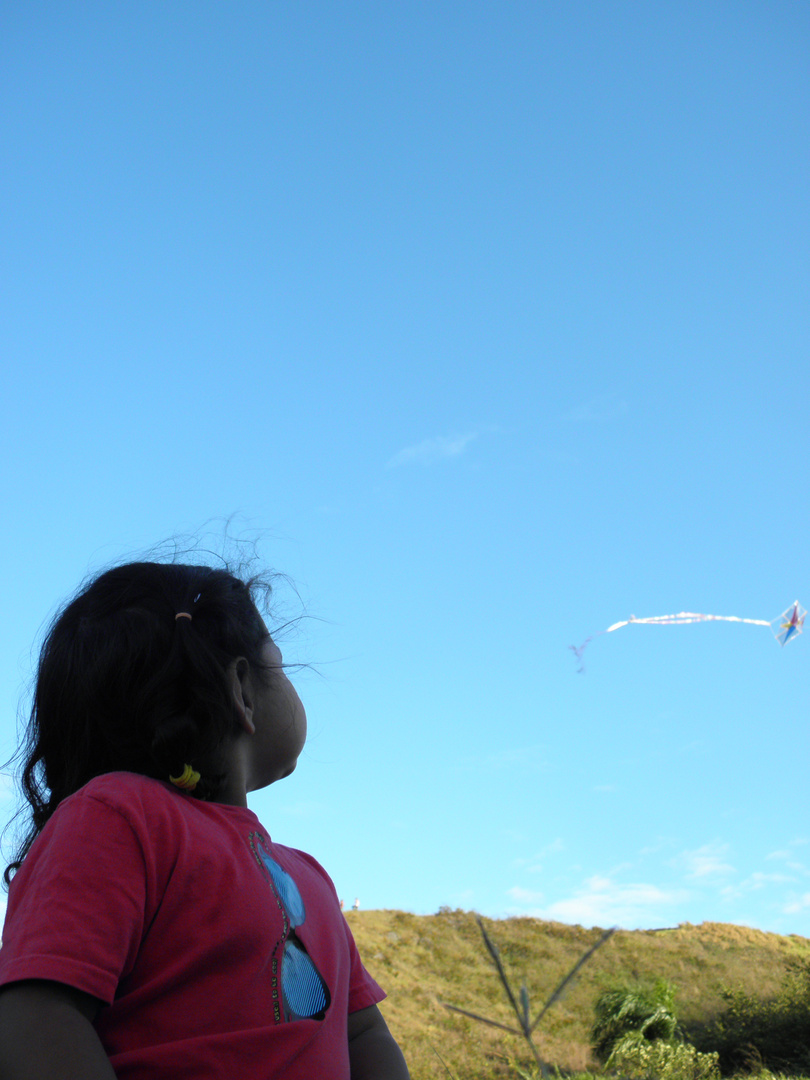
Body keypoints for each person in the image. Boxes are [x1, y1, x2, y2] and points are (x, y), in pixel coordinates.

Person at [0, 560, 410, 1080]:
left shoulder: (312, 878)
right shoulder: (116, 818)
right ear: (242, 690)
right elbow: (35, 1012)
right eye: (279, 665)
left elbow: (364, 1034)